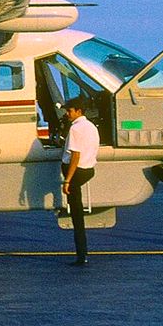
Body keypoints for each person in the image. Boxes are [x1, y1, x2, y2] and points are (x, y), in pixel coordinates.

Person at [60, 97, 98, 266]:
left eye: (70, 111)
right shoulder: (90, 127)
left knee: (77, 218)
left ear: (78, 111)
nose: (67, 114)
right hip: (88, 170)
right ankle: (82, 254)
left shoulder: (75, 129)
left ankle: (81, 256)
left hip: (76, 173)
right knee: (78, 216)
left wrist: (67, 181)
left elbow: (75, 155)